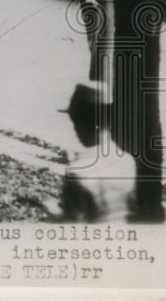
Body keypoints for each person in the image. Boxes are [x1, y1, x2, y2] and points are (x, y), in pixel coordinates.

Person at [54, 82, 136, 222]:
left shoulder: (78, 172)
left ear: (77, 121)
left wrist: (53, 216)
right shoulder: (127, 161)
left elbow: (71, 231)